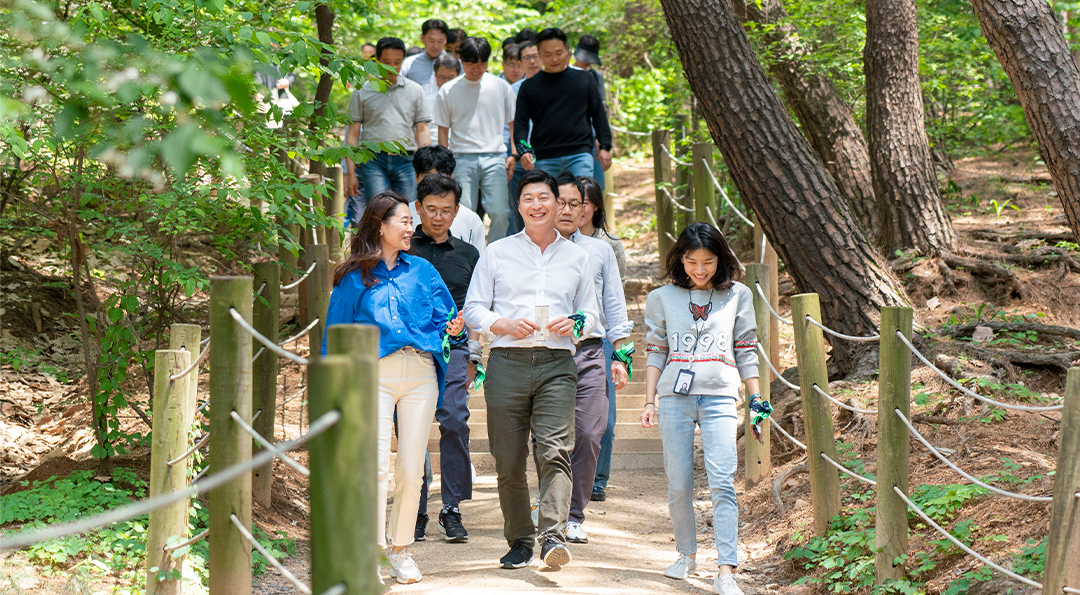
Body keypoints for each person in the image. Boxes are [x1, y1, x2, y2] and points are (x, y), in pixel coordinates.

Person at [321, 191, 464, 585]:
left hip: (420, 373)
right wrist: (332, 391)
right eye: (403, 221)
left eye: (409, 222)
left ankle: (400, 550)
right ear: (380, 226)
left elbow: (450, 322)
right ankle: (370, 553)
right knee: (375, 466)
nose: (410, 227)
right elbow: (333, 337)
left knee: (412, 467)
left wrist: (455, 329)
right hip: (373, 374)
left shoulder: (423, 271)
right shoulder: (352, 278)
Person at [463, 169, 599, 571]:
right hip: (507, 362)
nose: (537, 205)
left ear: (558, 204)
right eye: (528, 199)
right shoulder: (497, 252)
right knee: (508, 459)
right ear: (518, 206)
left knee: (555, 451)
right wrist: (501, 323)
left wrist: (575, 323)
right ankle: (520, 540)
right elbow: (473, 308)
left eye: (544, 198)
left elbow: (591, 312)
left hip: (558, 364)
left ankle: (552, 535)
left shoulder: (578, 257)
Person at [641, 222, 768, 595]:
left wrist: (756, 399)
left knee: (722, 481)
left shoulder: (737, 295)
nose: (700, 269)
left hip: (720, 396)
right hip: (674, 398)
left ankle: (726, 570)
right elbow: (656, 350)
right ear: (680, 259)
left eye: (708, 262)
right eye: (692, 261)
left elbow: (746, 347)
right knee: (679, 483)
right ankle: (686, 554)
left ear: (720, 259)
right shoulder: (662, 297)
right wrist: (649, 400)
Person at [551, 173, 633, 545]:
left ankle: (574, 514)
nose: (569, 210)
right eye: (561, 202)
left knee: (588, 433)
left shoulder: (599, 251)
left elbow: (614, 305)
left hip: (590, 350)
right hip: (545, 352)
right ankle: (552, 507)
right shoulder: (532, 249)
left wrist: (622, 356)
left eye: (576, 203)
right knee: (549, 436)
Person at [409, 174, 481, 544]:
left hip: (454, 348)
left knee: (454, 420)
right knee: (412, 427)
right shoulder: (403, 249)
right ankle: (415, 509)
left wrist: (475, 357)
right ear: (418, 208)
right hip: (409, 350)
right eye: (431, 209)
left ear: (456, 212)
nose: (438, 217)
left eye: (446, 210)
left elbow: (478, 308)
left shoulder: (469, 255)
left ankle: (451, 507)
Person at [435, 36, 516, 242]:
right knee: (463, 213)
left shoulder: (501, 86)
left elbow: (513, 124)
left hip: (495, 156)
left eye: (482, 63)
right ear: (461, 61)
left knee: (500, 212)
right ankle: (468, 254)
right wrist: (445, 166)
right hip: (461, 157)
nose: (477, 68)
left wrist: (513, 154)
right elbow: (443, 130)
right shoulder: (448, 90)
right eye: (471, 63)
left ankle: (495, 254)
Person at [579, 176, 628, 502]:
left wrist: (620, 348)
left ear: (596, 206)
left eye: (583, 202)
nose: (577, 209)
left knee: (605, 420)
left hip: (604, 337)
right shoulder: (555, 241)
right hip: (567, 338)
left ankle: (599, 479)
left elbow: (615, 296)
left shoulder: (610, 245)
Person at [513, 28, 612, 180]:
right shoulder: (528, 87)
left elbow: (599, 115)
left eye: (559, 53)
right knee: (547, 195)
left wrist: (605, 146)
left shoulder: (585, 79)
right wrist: (523, 150)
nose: (554, 59)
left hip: (580, 154)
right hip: (544, 157)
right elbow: (520, 124)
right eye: (548, 55)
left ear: (567, 50)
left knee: (581, 193)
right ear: (539, 54)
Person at [345, 37, 432, 203]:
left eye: (397, 62)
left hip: (406, 160)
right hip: (373, 161)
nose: (392, 67)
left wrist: (424, 167)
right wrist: (350, 173)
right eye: (386, 62)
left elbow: (422, 130)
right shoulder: (362, 91)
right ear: (377, 60)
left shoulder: (415, 90)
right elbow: (352, 134)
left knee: (408, 209)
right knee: (378, 209)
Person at [410, 145, 486, 253]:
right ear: (416, 176)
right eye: (428, 177)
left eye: (441, 176)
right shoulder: (402, 215)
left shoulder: (471, 220)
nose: (435, 183)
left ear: (451, 176)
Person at [506, 41, 540, 234]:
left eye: (536, 56)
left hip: (545, 155)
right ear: (520, 62)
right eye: (527, 58)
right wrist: (513, 153)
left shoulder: (557, 84)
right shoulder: (512, 90)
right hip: (519, 159)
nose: (532, 61)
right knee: (520, 210)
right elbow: (507, 127)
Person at [571, 34, 609, 191]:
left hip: (593, 139)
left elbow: (602, 109)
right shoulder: (566, 74)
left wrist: (602, 138)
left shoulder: (596, 76)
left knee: (595, 187)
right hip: (572, 139)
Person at [400, 19, 451, 95]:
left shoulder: (456, 63)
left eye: (440, 41)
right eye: (431, 41)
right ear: (422, 38)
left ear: (445, 40)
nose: (435, 46)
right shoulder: (409, 63)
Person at [424, 53, 462, 147]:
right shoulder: (425, 102)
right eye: (442, 77)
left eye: (451, 78)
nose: (446, 82)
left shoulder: (465, 101)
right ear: (435, 76)